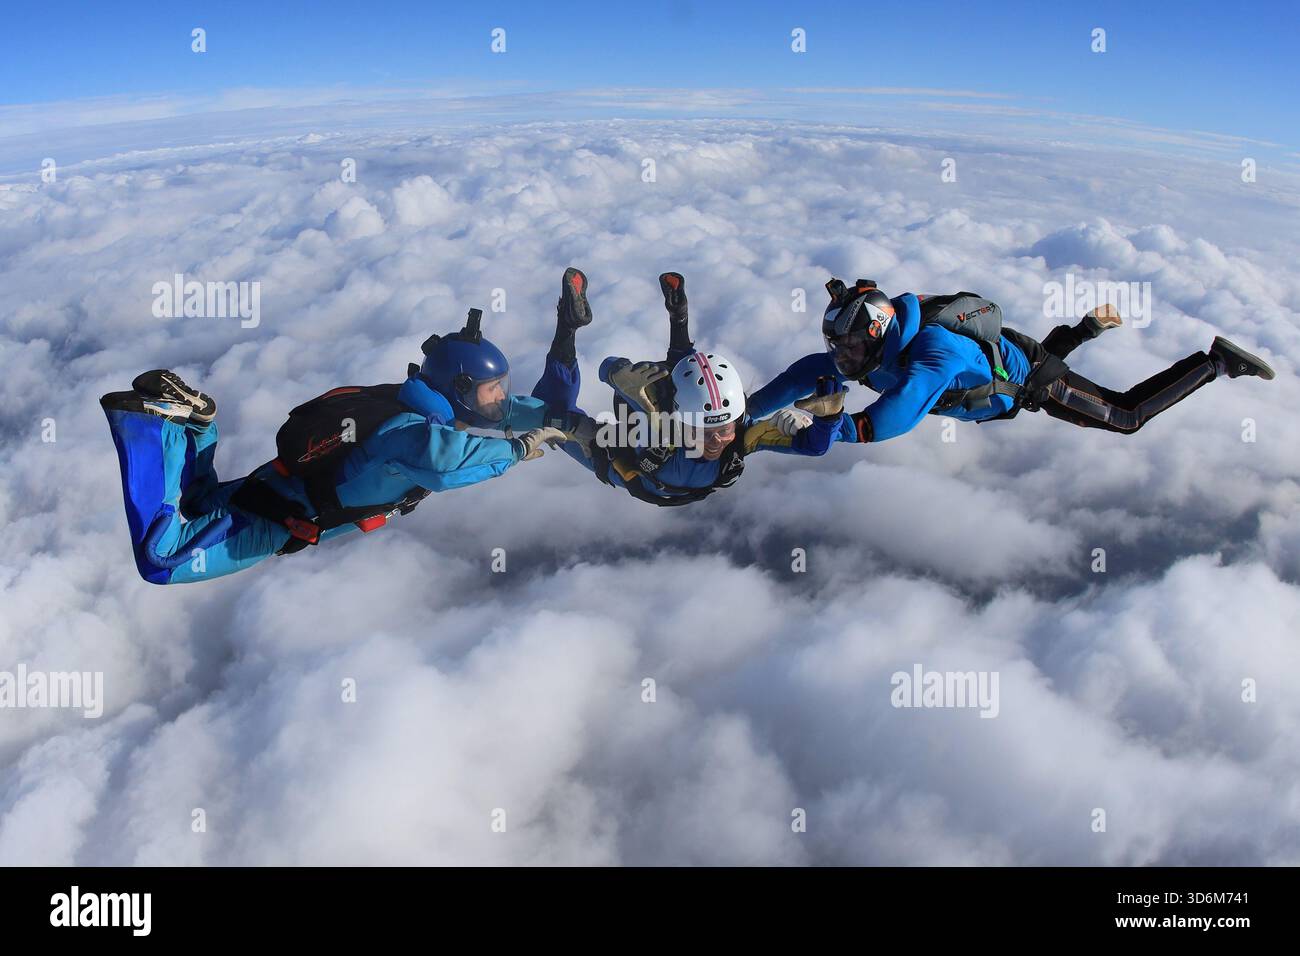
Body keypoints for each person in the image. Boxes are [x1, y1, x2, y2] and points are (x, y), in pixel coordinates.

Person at [100, 310, 566, 584]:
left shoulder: (410, 397)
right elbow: (448, 464)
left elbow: (501, 413)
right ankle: (149, 425)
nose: (502, 395)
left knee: (199, 501)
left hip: (275, 481)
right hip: (274, 520)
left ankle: (199, 424)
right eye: (493, 387)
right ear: (461, 388)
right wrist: (518, 451)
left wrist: (557, 413)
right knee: (161, 561)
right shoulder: (413, 434)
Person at [748, 278, 1275, 443]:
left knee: (1126, 417)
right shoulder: (873, 351)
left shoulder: (933, 351)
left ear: (877, 331)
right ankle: (1087, 329)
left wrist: (833, 427)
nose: (842, 359)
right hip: (1017, 368)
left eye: (851, 347)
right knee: (1026, 370)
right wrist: (745, 412)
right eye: (839, 347)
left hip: (1035, 383)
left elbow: (890, 417)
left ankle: (1215, 362)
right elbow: (802, 373)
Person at [529, 268, 853, 506]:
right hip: (625, 455)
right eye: (706, 432)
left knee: (565, 414)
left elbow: (814, 446)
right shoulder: (704, 428)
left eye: (723, 429)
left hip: (630, 460)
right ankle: (571, 324)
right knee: (555, 413)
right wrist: (618, 371)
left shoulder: (738, 432)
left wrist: (827, 419)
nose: (716, 442)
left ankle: (671, 319)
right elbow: (609, 371)